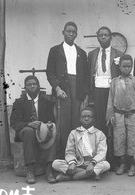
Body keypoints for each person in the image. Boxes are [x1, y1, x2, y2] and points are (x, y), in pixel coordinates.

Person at [46, 21, 89, 158]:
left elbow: (86, 75)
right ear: (63, 32)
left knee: (77, 121)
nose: (71, 34)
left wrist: (86, 94)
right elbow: (50, 72)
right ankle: (64, 155)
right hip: (63, 88)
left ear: (76, 34)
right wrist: (57, 88)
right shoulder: (55, 50)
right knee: (63, 123)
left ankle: (78, 155)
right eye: (68, 31)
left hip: (77, 88)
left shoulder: (81, 53)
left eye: (74, 32)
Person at [10, 75, 56, 184]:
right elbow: (14, 122)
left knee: (53, 129)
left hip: (41, 130)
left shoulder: (46, 103)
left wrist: (46, 125)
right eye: (29, 85)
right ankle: (30, 169)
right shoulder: (19, 102)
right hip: (24, 131)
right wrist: (29, 124)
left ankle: (49, 168)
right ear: (25, 88)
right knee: (28, 131)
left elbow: (51, 120)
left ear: (38, 87)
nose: (32, 86)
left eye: (34, 84)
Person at [106, 54, 135, 176]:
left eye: (129, 66)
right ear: (120, 67)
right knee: (119, 140)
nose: (126, 69)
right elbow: (110, 99)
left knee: (133, 139)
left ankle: (133, 165)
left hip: (133, 114)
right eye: (124, 66)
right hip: (118, 115)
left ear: (132, 67)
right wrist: (111, 114)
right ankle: (122, 164)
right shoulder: (114, 82)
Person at [52, 107, 110, 182]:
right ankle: (90, 174)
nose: (86, 119)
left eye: (89, 117)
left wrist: (92, 163)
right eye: (84, 117)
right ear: (80, 119)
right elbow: (70, 151)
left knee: (106, 165)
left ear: (94, 119)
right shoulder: (74, 133)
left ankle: (71, 177)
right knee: (55, 163)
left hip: (93, 163)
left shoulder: (100, 134)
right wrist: (72, 163)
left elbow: (102, 152)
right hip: (78, 163)